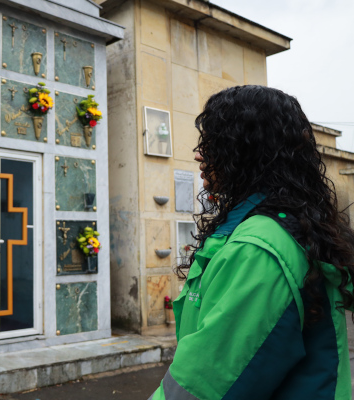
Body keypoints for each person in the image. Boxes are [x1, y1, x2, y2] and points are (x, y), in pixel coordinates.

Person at [150, 85, 354, 399]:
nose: (198, 153)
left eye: (214, 141)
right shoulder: (279, 224)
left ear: (248, 149)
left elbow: (204, 387)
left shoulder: (259, 248)